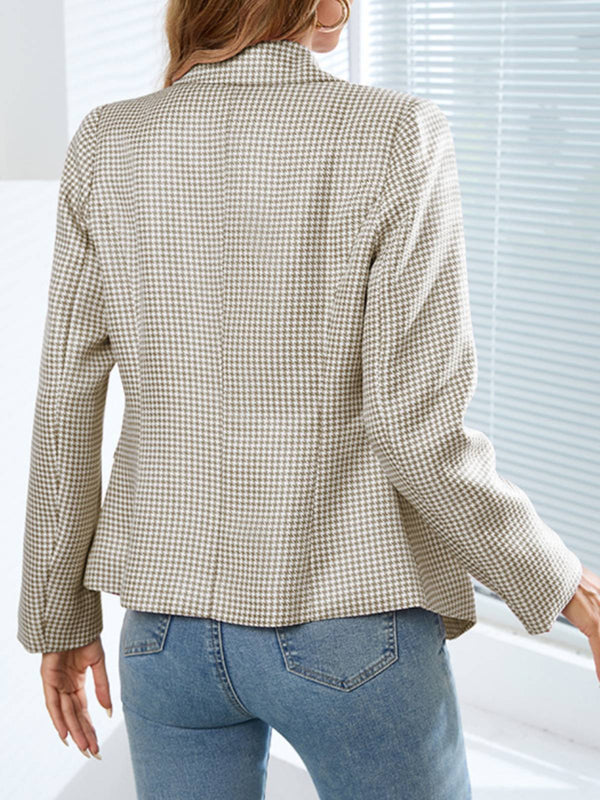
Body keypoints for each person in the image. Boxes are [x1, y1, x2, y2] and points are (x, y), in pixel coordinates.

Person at [16, 0, 600, 797]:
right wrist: (566, 584)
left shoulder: (105, 143)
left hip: (166, 637)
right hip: (351, 624)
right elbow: (417, 430)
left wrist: (61, 618)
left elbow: (64, 408)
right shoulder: (395, 134)